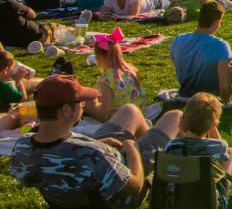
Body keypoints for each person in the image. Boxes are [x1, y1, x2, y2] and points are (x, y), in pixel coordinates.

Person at [11, 75, 182, 209]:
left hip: (96, 169)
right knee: (175, 116)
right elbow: (135, 186)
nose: (84, 105)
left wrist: (98, 143)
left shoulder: (22, 146)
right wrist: (132, 150)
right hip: (119, 198)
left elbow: (63, 159)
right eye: (80, 102)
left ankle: (153, 158)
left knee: (130, 110)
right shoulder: (94, 155)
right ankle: (172, 175)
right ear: (65, 110)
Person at [165, 92, 232, 209]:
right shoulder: (219, 147)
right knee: (231, 154)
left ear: (183, 118)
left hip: (177, 201)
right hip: (212, 202)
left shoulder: (171, 145)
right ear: (213, 125)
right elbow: (222, 163)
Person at [171, 1, 232, 102]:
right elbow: (224, 86)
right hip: (211, 96)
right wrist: (228, 103)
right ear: (216, 22)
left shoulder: (178, 40)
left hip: (186, 92)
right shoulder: (220, 45)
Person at [85, 28, 147, 121]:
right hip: (138, 114)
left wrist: (88, 109)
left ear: (99, 57)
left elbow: (103, 115)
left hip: (118, 119)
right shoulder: (131, 70)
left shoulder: (107, 79)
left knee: (89, 101)